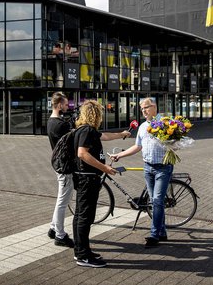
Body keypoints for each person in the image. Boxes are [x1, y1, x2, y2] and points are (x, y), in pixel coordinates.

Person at [72, 100, 130, 268]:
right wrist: (104, 167)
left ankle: (82, 250)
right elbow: (82, 154)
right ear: (96, 115)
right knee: (85, 216)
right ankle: (83, 256)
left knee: (82, 215)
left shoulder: (85, 130)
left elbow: (105, 136)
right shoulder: (87, 131)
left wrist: (121, 134)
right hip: (87, 179)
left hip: (86, 178)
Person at [111, 97, 172, 248]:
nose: (144, 111)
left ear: (154, 107)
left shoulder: (165, 123)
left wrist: (173, 143)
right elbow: (137, 147)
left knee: (157, 201)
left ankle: (154, 235)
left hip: (163, 168)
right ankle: (162, 232)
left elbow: (175, 142)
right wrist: (120, 155)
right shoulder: (143, 127)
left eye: (146, 107)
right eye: (142, 109)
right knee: (154, 201)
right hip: (148, 167)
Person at [46, 92, 75, 248]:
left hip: (58, 163)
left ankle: (53, 227)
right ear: (58, 105)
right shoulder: (62, 124)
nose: (67, 106)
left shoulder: (50, 122)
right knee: (62, 202)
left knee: (61, 199)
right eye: (65, 104)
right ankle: (60, 235)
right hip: (65, 166)